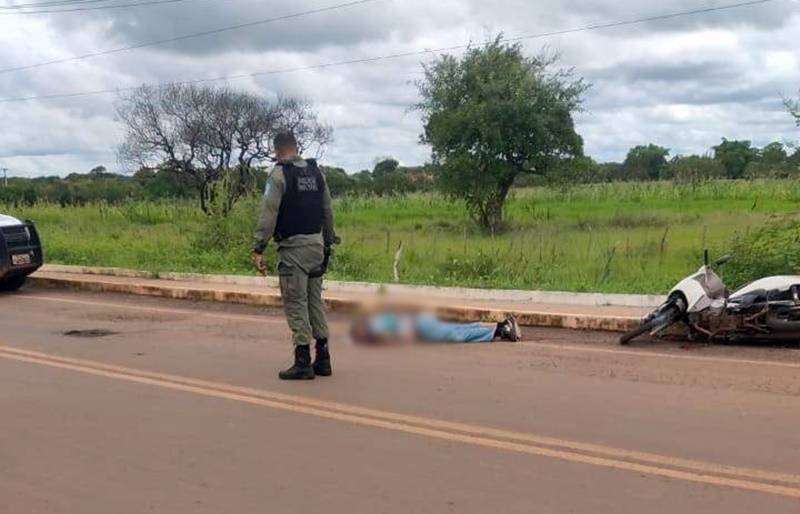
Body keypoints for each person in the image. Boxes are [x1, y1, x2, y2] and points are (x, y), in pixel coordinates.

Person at [252, 131, 337, 381]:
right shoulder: (315, 172)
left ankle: (302, 360)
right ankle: (323, 358)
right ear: (296, 147)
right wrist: (328, 242)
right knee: (314, 301)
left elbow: (268, 213)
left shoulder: (278, 174)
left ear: (277, 149)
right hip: (316, 246)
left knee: (295, 301)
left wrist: (258, 247)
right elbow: (327, 209)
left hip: (293, 250)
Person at [350, 311, 522, 346]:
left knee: (457, 336)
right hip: (423, 321)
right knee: (457, 330)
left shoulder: (377, 326)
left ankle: (502, 331)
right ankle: (500, 325)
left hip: (421, 328)